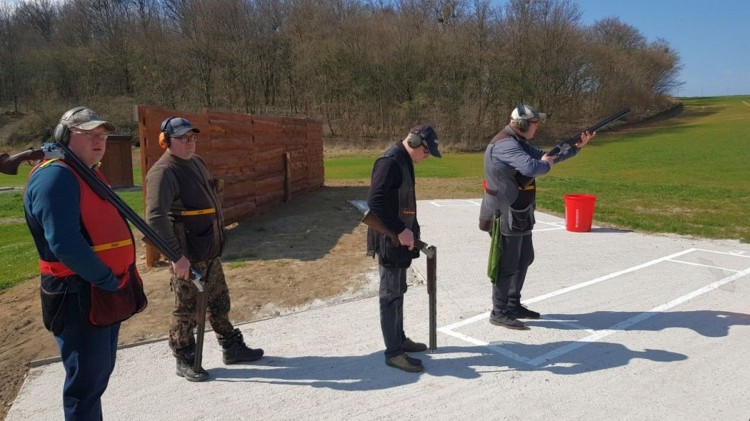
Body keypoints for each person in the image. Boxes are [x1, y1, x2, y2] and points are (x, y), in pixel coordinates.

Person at [24, 106, 147, 420]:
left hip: (98, 288)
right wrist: (107, 279)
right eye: (89, 133)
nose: (100, 139)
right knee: (84, 386)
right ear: (64, 136)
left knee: (97, 376)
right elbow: (65, 244)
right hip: (77, 293)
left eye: (103, 134)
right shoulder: (56, 177)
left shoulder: (83, 172)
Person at [145, 116, 264, 382]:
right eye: (183, 138)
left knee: (219, 301)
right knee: (186, 311)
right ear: (166, 141)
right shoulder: (163, 171)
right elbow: (155, 219)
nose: (190, 142)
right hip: (187, 253)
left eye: (193, 137)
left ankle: (231, 346)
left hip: (208, 247)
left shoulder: (196, 162)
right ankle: (184, 357)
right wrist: (177, 257)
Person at [479, 104, 595, 330]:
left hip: (519, 211)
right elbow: (534, 167)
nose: (537, 126)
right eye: (534, 122)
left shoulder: (518, 142)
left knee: (524, 258)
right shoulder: (505, 145)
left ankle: (513, 304)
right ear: (521, 124)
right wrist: (545, 162)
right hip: (505, 213)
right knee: (507, 263)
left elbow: (546, 156)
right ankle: (499, 311)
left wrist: (576, 146)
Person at [366, 124, 441, 373]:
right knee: (390, 295)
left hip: (400, 238)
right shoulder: (389, 161)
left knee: (399, 291)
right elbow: (375, 201)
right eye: (427, 151)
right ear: (416, 142)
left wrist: (411, 231)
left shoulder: (403, 160)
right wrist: (400, 229)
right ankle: (393, 353)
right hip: (389, 239)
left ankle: (399, 339)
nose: (427, 157)